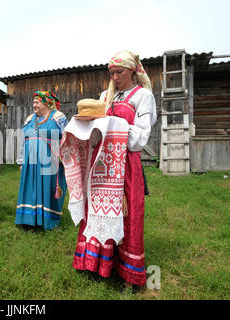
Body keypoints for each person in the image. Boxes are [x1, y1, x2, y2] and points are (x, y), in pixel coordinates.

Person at [71, 50, 157, 287]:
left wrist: (115, 125)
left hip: (127, 165)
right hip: (102, 163)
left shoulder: (143, 96)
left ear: (131, 70)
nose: (114, 77)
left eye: (119, 72)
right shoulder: (104, 97)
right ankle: (97, 263)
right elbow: (96, 135)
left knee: (128, 214)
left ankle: (128, 271)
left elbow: (139, 140)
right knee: (97, 211)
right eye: (111, 73)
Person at [15, 91, 68, 230]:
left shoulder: (58, 117)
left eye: (37, 102)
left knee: (48, 188)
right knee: (30, 188)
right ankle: (28, 220)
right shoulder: (29, 119)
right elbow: (23, 141)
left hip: (49, 162)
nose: (34, 104)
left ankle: (48, 220)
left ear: (46, 103)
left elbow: (68, 138)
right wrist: (21, 161)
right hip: (30, 162)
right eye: (33, 102)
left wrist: (65, 158)